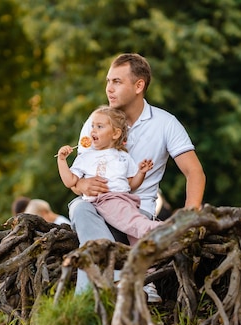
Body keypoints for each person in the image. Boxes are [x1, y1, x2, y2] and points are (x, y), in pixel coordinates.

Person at [69, 53, 206, 302]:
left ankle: (100, 293)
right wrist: (81, 184)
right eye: (108, 81)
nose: (109, 89)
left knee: (108, 223)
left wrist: (190, 220)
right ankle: (122, 285)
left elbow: (194, 172)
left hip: (136, 212)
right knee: (79, 209)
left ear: (139, 85)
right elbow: (78, 175)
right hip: (96, 206)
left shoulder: (165, 123)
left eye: (117, 82)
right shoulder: (96, 121)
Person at [57, 105, 158, 245]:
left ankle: (147, 263)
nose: (93, 130)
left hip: (125, 200)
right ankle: (155, 229)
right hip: (104, 200)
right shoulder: (85, 157)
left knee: (135, 235)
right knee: (134, 223)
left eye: (99, 126)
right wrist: (62, 161)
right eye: (92, 126)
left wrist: (141, 172)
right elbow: (70, 182)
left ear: (115, 134)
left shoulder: (123, 157)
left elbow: (131, 184)